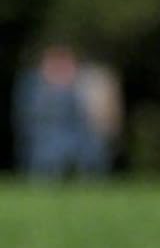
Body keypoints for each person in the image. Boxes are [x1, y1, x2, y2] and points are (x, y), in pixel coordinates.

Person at [12, 44, 113, 178]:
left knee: (93, 145)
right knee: (50, 147)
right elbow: (28, 117)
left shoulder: (80, 87)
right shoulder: (34, 87)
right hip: (46, 137)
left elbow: (88, 116)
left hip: (78, 135)